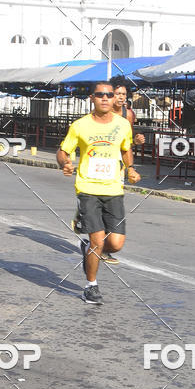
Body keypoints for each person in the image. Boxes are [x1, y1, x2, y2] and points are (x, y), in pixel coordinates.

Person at [57, 82, 140, 305]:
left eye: (109, 95)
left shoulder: (123, 124)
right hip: (88, 189)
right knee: (97, 242)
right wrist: (65, 163)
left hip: (114, 189)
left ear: (115, 99)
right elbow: (64, 151)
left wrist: (130, 168)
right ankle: (90, 287)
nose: (105, 98)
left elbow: (126, 149)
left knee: (115, 244)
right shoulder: (80, 126)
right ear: (92, 98)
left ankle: (87, 249)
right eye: (100, 95)